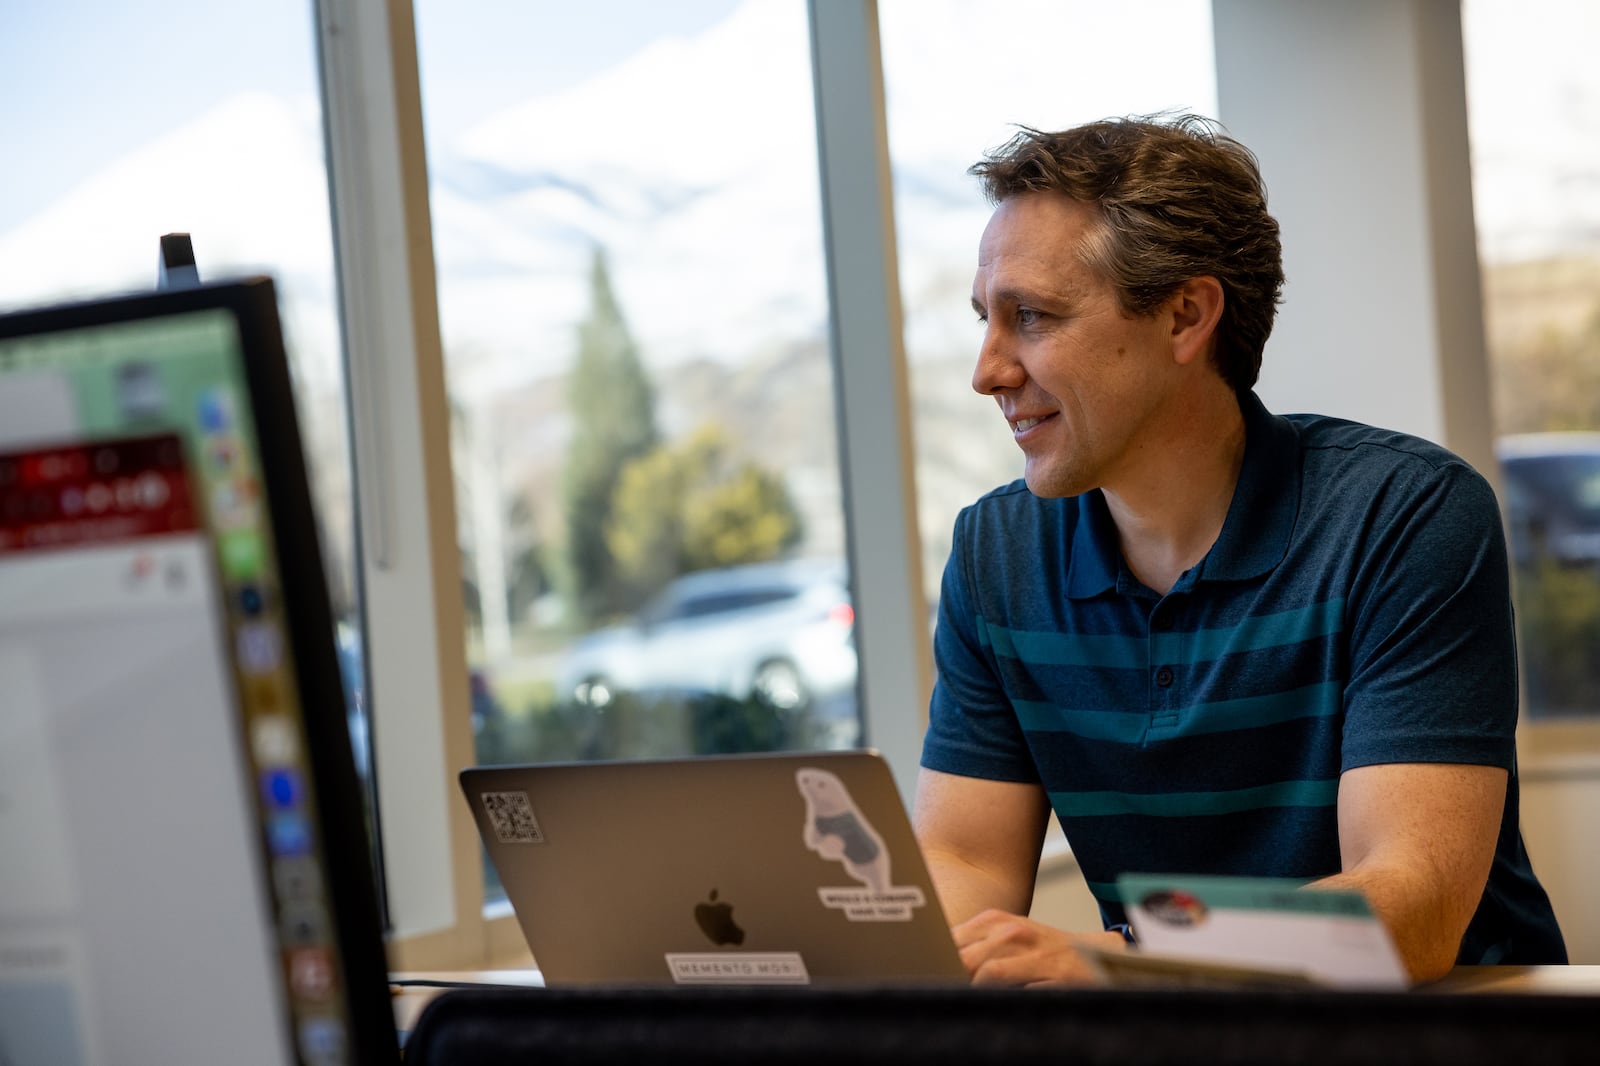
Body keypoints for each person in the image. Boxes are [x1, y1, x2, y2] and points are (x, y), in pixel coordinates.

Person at [913, 114, 1567, 987]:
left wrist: (1119, 959)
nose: (988, 369)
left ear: (1186, 315)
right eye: (985, 320)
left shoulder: (1404, 514)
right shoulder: (996, 556)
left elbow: (1411, 912)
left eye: (1030, 317)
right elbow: (961, 866)